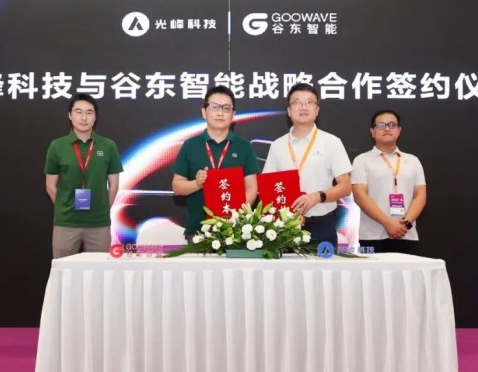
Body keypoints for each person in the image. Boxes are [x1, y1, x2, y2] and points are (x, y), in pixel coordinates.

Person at [263, 83, 352, 247]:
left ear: (317, 110)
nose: (303, 107)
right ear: (289, 111)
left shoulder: (332, 142)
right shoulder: (277, 145)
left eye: (309, 102)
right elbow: (267, 187)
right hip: (284, 227)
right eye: (297, 102)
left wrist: (318, 196)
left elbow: (345, 186)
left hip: (321, 225)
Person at [172, 85, 260, 242]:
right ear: (204, 112)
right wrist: (197, 183)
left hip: (236, 232)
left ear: (233, 114)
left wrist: (236, 215)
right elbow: (177, 186)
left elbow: (252, 187)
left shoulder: (244, 147)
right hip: (198, 231)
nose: (220, 113)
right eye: (214, 107)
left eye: (226, 108)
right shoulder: (190, 145)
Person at [44, 93, 123, 258]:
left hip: (98, 223)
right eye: (78, 112)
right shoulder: (57, 146)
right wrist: (64, 208)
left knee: (99, 271)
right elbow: (50, 186)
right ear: (70, 115)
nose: (84, 118)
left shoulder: (108, 146)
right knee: (64, 270)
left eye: (89, 112)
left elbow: (114, 185)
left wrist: (102, 209)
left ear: (95, 117)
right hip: (66, 223)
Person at [351, 109, 426, 255]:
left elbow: (420, 196)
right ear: (372, 132)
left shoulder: (413, 161)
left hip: (407, 234)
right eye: (381, 125)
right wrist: (388, 223)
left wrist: (406, 224)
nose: (387, 128)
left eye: (392, 125)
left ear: (399, 130)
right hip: (372, 236)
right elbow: (360, 197)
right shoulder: (362, 160)